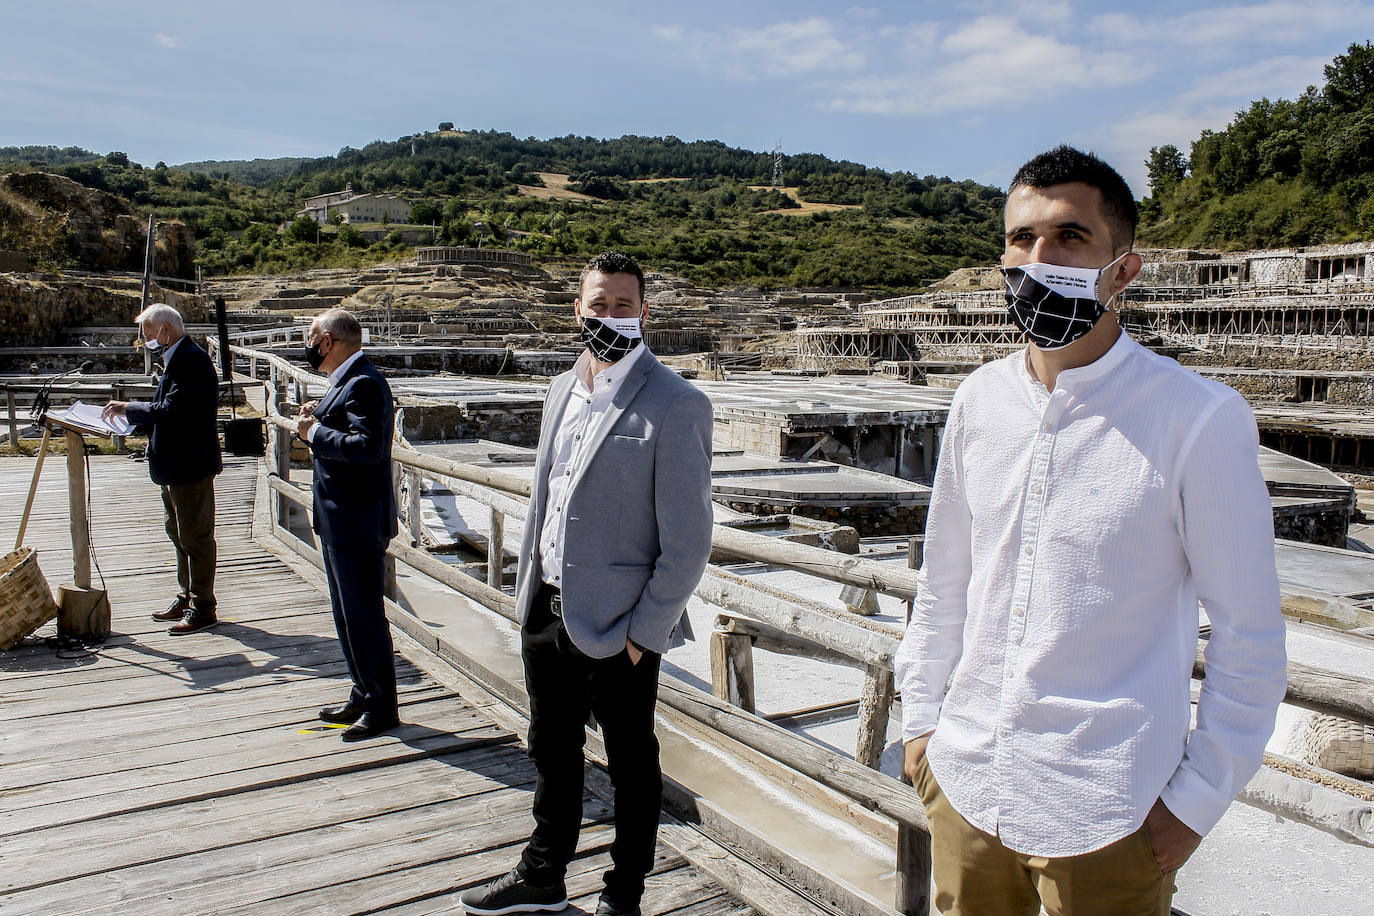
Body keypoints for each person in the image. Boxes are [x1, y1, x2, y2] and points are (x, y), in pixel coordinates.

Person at [894, 146, 1288, 915]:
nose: (1039, 259)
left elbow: (1250, 634)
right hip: (967, 781)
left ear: (1124, 271)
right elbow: (945, 585)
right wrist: (922, 732)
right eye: (1021, 239)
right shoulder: (978, 402)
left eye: (1069, 237)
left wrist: (1194, 804)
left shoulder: (1198, 420)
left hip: (1113, 809)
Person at [460, 252, 714, 916]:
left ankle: (622, 896)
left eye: (623, 305)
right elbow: (549, 501)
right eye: (598, 305)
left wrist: (642, 635)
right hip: (545, 607)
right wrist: (527, 599)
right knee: (551, 746)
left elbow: (688, 543)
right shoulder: (559, 391)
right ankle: (543, 874)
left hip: (620, 622)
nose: (609, 317)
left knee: (631, 765)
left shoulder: (678, 402)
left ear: (645, 313)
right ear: (577, 308)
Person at [296, 308, 400, 742]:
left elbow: (368, 447)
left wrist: (315, 433)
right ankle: (362, 690)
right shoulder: (345, 382)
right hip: (340, 519)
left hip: (356, 521)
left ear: (328, 341)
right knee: (345, 614)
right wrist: (319, 417)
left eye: (311, 335)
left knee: (363, 616)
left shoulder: (362, 383)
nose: (306, 342)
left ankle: (382, 706)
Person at [103, 304, 222, 635]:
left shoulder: (191, 360)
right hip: (173, 465)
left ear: (165, 330)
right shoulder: (177, 358)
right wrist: (136, 420)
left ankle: (203, 606)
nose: (144, 340)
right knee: (177, 534)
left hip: (190, 464)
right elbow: (167, 411)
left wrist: (130, 408)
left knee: (195, 537)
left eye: (147, 333)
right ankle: (186, 595)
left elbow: (173, 410)